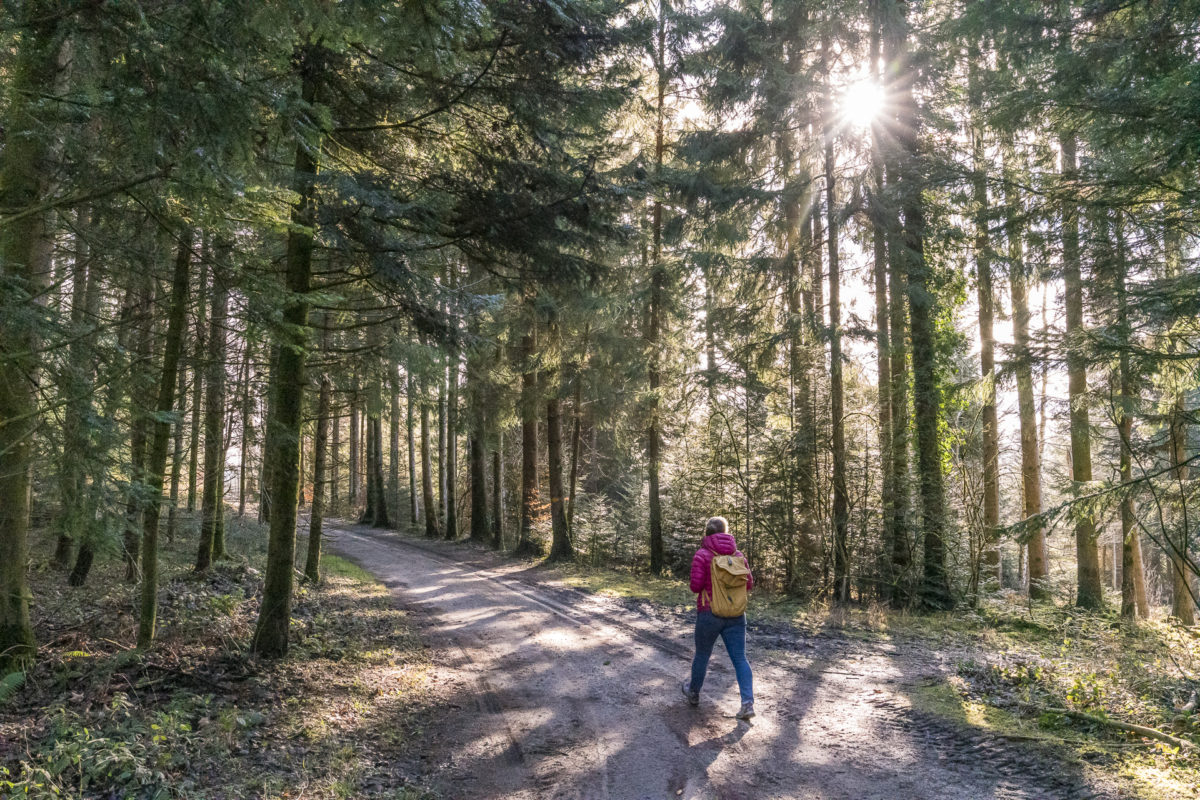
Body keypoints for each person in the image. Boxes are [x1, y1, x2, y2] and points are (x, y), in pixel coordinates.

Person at [681, 516, 755, 720]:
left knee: (703, 655)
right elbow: (748, 584)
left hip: (709, 613)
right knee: (740, 658)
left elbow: (695, 586)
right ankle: (747, 703)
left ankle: (694, 693)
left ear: (707, 532)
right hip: (736, 614)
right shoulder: (738, 555)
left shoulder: (702, 555)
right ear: (725, 531)